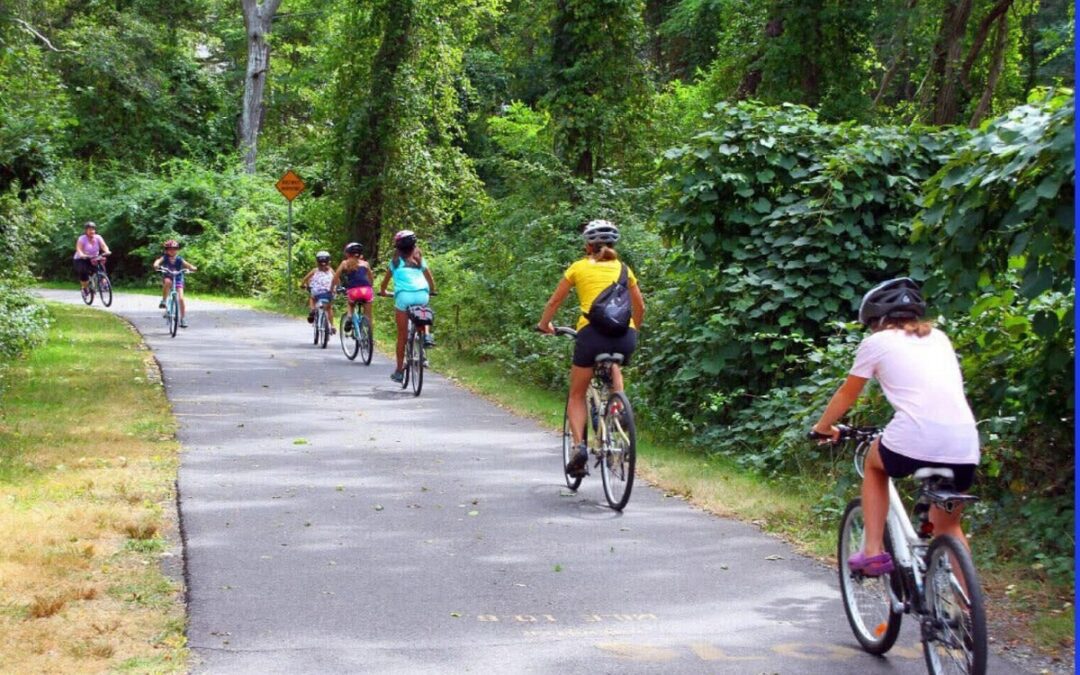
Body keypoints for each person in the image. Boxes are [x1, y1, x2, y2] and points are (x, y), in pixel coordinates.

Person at [811, 278, 979, 576]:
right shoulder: (939, 338)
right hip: (964, 442)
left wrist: (824, 426)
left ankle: (873, 552)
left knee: (875, 465)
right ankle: (964, 614)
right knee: (949, 526)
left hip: (915, 436)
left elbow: (848, 393)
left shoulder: (876, 342)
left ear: (877, 319)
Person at [536, 219, 645, 477]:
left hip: (591, 335)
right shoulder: (624, 269)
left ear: (588, 246)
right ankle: (619, 410)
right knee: (615, 363)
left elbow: (554, 301)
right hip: (624, 336)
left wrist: (544, 324)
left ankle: (578, 448)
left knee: (577, 394)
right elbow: (641, 307)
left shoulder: (578, 268)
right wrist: (632, 331)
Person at [378, 230, 437, 383]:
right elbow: (430, 281)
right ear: (414, 246)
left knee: (402, 336)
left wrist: (384, 292)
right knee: (423, 311)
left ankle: (399, 371)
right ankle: (426, 336)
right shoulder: (420, 261)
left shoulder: (395, 263)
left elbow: (384, 285)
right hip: (421, 295)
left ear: (398, 247)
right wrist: (432, 291)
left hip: (403, 296)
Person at [332, 242, 375, 337]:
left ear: (347, 253)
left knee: (350, 304)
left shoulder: (345, 263)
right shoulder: (366, 264)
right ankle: (370, 338)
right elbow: (371, 279)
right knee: (368, 316)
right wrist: (371, 287)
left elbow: (335, 278)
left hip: (354, 291)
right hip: (366, 291)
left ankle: (350, 316)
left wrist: (333, 288)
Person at [153, 240, 198, 328]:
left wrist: (192, 267)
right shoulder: (165, 257)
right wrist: (156, 265)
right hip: (168, 276)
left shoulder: (179, 259)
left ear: (177, 250)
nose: (172, 251)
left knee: (181, 299)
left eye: (174, 249)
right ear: (166, 250)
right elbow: (158, 261)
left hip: (178, 278)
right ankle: (164, 301)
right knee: (167, 282)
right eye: (170, 249)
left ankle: (183, 319)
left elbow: (187, 265)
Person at [73, 221, 111, 298]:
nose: (92, 231)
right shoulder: (82, 239)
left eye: (93, 229)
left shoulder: (98, 237)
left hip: (94, 258)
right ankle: (85, 288)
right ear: (86, 231)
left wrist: (107, 251)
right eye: (89, 229)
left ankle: (104, 283)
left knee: (101, 268)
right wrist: (82, 255)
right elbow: (79, 249)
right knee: (83, 272)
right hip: (81, 258)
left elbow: (104, 246)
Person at [301, 250, 336, 334]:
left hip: (317, 292)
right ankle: (332, 325)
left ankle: (312, 309)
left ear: (317, 261)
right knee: (329, 308)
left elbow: (304, 280)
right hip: (329, 293)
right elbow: (337, 280)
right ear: (329, 261)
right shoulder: (331, 271)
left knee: (312, 297)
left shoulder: (314, 270)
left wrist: (303, 285)